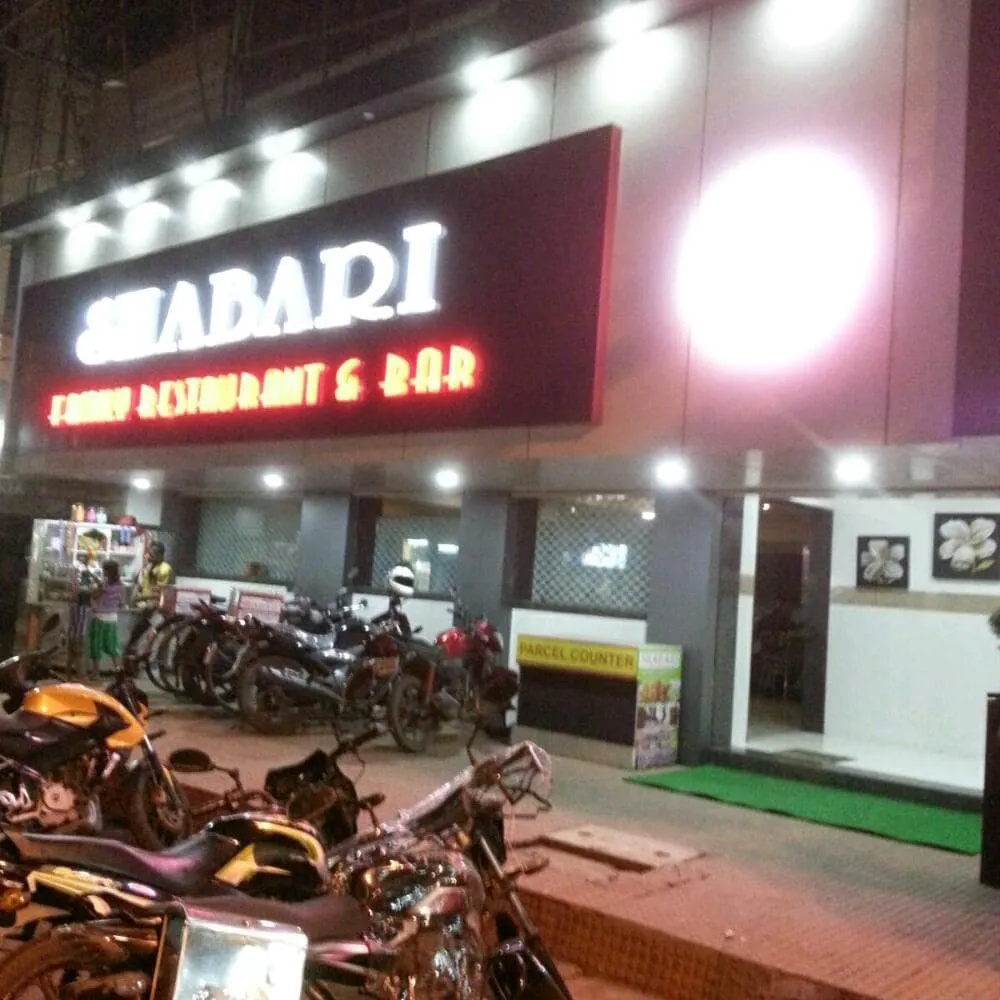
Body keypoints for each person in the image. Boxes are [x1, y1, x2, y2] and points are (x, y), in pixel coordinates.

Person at [87, 560, 124, 679]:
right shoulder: (120, 585)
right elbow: (121, 602)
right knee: (113, 646)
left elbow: (95, 596)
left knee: (96, 645)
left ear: (108, 571)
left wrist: (94, 589)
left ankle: (95, 673)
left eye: (104, 570)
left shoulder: (104, 585)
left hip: (100, 617)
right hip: (112, 618)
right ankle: (119, 670)